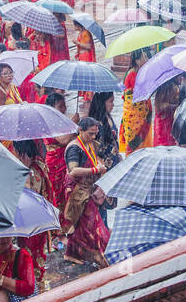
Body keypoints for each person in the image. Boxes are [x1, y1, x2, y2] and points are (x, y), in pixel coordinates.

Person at [62, 117, 110, 268]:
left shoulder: (89, 144)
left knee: (81, 224)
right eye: (90, 133)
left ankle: (71, 253)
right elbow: (73, 170)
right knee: (91, 223)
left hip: (87, 188)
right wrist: (95, 170)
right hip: (77, 190)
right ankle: (99, 254)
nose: (93, 137)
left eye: (95, 134)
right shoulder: (74, 148)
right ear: (80, 131)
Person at [118, 49, 153, 155]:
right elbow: (140, 96)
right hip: (135, 118)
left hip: (142, 116)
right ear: (137, 61)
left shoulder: (138, 72)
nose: (147, 60)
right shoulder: (132, 74)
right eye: (144, 57)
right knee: (136, 144)